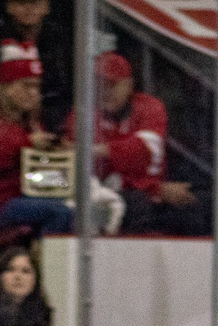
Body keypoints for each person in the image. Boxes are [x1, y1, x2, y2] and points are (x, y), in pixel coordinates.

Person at [62, 52, 208, 237]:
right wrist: (154, 188)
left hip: (150, 198)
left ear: (129, 85)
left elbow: (143, 153)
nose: (105, 92)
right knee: (134, 202)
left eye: (112, 85)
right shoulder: (81, 114)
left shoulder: (149, 107)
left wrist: (97, 150)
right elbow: (98, 172)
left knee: (200, 202)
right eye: (99, 85)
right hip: (114, 199)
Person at [0, 41, 73, 241]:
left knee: (85, 208)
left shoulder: (32, 122)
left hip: (35, 194)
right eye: (26, 86)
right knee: (60, 212)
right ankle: (43, 266)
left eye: (36, 86)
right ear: (7, 87)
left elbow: (42, 175)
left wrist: (57, 155)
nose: (34, 93)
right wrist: (24, 145)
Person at [0, 0, 71, 129]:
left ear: (46, 8)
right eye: (22, 3)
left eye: (35, 3)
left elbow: (69, 82)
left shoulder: (60, 38)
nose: (29, 9)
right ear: (10, 7)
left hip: (56, 109)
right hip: (10, 112)